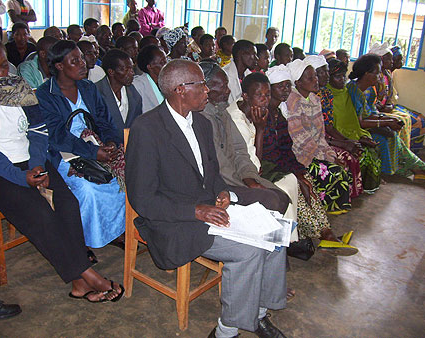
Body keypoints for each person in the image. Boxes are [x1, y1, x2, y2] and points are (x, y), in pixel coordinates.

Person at [125, 58, 289, 338]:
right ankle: (225, 332)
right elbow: (143, 198)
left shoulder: (201, 123)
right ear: (179, 90)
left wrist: (221, 192)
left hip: (208, 209)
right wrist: (196, 211)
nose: (207, 91)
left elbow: (212, 172)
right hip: (174, 220)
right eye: (201, 84)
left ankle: (259, 313)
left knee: (276, 233)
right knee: (248, 252)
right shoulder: (147, 129)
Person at [0, 34, 124, 303]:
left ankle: (79, 282)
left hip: (29, 159)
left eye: (3, 65)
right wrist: (22, 177)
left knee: (67, 201)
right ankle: (86, 274)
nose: (0, 72)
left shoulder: (17, 86)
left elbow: (38, 130)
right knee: (40, 211)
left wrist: (35, 166)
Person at [36, 40, 126, 252]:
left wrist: (111, 142)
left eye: (82, 59)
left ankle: (114, 231)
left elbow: (105, 120)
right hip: (64, 152)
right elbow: (56, 135)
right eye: (75, 61)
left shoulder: (88, 88)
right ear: (59, 66)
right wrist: (93, 152)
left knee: (124, 178)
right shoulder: (45, 94)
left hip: (95, 144)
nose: (83, 63)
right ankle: (84, 241)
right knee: (88, 189)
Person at [260, 66, 356, 253]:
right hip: (267, 168)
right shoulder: (262, 114)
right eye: (281, 86)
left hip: (281, 164)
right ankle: (324, 234)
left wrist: (298, 169)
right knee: (296, 187)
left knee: (307, 181)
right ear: (270, 88)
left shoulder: (279, 114)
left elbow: (285, 148)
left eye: (288, 86)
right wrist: (293, 172)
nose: (286, 90)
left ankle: (326, 232)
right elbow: (267, 153)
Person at [199, 61, 298, 227]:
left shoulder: (222, 112)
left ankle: (272, 241)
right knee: (272, 200)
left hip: (239, 175)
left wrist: (249, 176)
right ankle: (253, 240)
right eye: (223, 86)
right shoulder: (203, 118)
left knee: (282, 197)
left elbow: (240, 150)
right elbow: (221, 166)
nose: (228, 91)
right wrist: (244, 183)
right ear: (205, 88)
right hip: (223, 183)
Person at [286, 59, 352, 214]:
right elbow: (299, 138)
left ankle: (331, 207)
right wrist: (323, 156)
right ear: (298, 83)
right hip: (299, 154)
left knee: (340, 165)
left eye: (315, 76)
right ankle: (323, 209)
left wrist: (329, 153)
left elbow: (320, 134)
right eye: (310, 78)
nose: (316, 80)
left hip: (315, 150)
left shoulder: (315, 99)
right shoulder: (292, 101)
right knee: (332, 171)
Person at [347, 54, 425, 179]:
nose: (379, 76)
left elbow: (372, 112)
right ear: (367, 74)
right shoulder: (353, 91)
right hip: (355, 129)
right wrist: (384, 122)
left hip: (364, 125)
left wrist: (388, 119)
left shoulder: (368, 89)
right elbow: (359, 122)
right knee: (385, 137)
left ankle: (413, 167)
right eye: (377, 73)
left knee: (393, 131)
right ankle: (392, 172)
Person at [306, 54, 364, 198]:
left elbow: (329, 125)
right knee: (346, 157)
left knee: (354, 152)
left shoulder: (326, 93)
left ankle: (349, 195)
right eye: (322, 72)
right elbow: (314, 133)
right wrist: (343, 143)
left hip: (325, 137)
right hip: (316, 141)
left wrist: (346, 141)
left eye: (327, 71)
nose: (326, 75)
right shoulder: (308, 96)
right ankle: (332, 199)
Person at [326, 58, 381, 192]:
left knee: (373, 149)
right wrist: (348, 141)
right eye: (337, 77)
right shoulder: (326, 95)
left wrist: (359, 136)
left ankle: (367, 186)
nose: (342, 80)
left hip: (349, 133)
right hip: (335, 135)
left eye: (343, 76)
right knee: (360, 154)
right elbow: (330, 127)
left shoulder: (345, 92)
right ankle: (352, 190)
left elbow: (352, 120)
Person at [370, 42, 425, 153]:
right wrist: (383, 108)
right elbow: (371, 103)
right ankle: (399, 154)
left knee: (406, 119)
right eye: (389, 60)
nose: (392, 62)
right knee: (400, 121)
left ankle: (404, 153)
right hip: (375, 111)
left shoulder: (387, 75)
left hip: (385, 108)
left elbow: (389, 96)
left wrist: (389, 105)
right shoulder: (373, 77)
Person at [96, 49, 142, 132]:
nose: (132, 73)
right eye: (126, 70)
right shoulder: (97, 92)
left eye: (132, 69)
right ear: (111, 72)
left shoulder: (133, 92)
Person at [390, 45, 425, 152]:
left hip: (392, 105)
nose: (401, 61)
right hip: (389, 107)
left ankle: (411, 151)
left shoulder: (391, 73)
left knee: (421, 117)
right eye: (399, 59)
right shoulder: (382, 75)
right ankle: (405, 152)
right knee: (418, 122)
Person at [132, 44, 166, 113]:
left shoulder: (167, 82)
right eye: (162, 62)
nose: (166, 65)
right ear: (150, 67)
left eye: (166, 60)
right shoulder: (138, 85)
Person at [223, 39, 257, 104]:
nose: (257, 58)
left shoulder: (249, 75)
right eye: (254, 54)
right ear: (242, 54)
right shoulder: (224, 75)